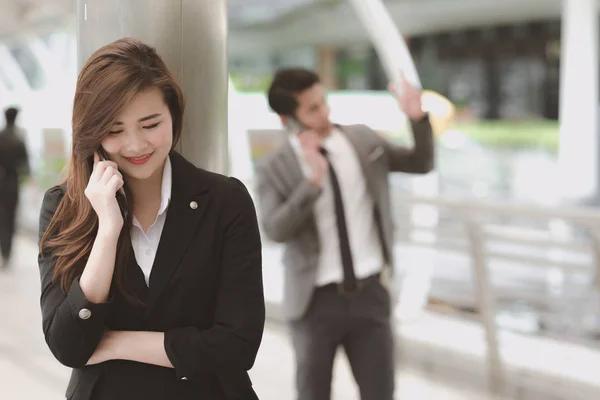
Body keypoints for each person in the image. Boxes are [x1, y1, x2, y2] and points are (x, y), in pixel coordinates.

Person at [38, 38, 264, 400]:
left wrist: (115, 344)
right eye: (114, 130)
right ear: (92, 133)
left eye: (150, 124)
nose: (136, 145)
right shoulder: (65, 208)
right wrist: (108, 232)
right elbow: (68, 345)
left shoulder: (225, 200)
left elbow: (239, 344)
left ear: (173, 114)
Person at [255, 68, 434, 400]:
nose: (324, 113)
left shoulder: (362, 140)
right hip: (315, 303)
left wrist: (417, 117)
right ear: (287, 120)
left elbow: (420, 163)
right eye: (312, 109)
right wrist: (311, 184)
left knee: (380, 392)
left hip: (370, 294)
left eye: (323, 102)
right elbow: (275, 230)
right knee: (313, 393)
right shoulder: (273, 167)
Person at [0, 107, 29, 269]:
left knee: (2, 218)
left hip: (1, 182)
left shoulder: (0, 137)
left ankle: (3, 249)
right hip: (12, 182)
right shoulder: (18, 140)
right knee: (10, 218)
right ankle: (7, 253)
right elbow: (25, 165)